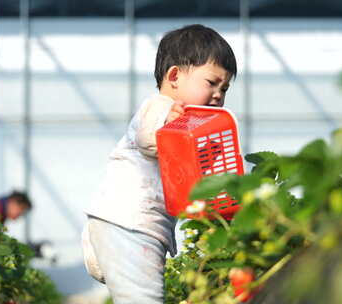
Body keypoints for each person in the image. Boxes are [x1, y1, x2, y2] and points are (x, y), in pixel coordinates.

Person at [81, 24, 237, 303]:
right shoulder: (161, 107)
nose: (218, 95)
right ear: (174, 76)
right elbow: (149, 137)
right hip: (128, 223)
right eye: (211, 83)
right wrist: (169, 121)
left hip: (134, 228)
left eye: (224, 88)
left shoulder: (186, 130)